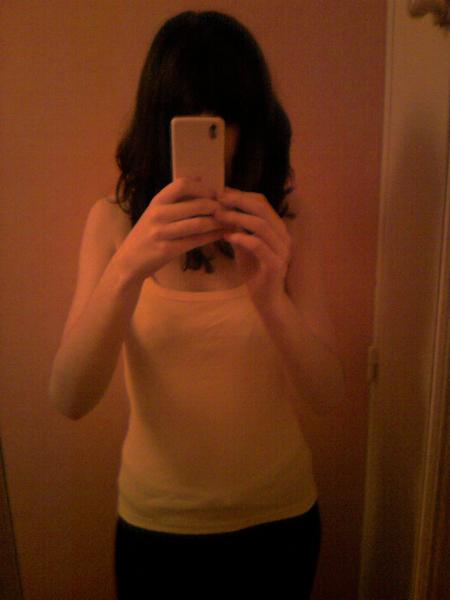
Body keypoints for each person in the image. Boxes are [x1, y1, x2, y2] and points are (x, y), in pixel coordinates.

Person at [49, 10, 346, 599]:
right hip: (156, 525)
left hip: (278, 520)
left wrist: (269, 295)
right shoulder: (112, 224)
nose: (220, 140)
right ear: (159, 124)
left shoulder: (288, 224)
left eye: (227, 119)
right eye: (193, 120)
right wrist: (128, 267)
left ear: (252, 124)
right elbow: (70, 397)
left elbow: (327, 395)